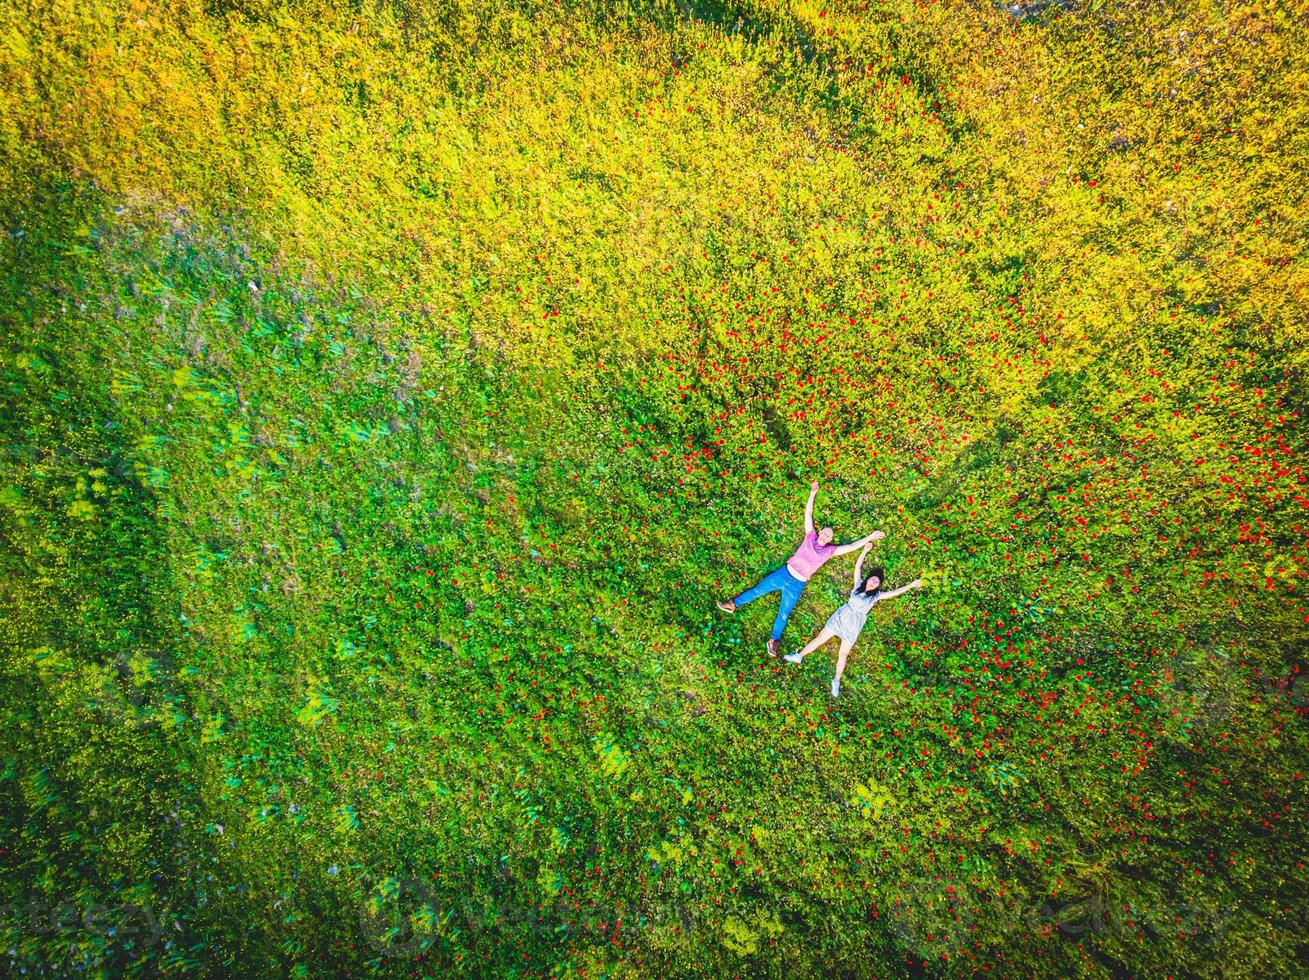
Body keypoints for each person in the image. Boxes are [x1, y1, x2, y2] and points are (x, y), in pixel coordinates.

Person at [716, 480, 883, 657]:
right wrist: (813, 493)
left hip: (797, 584)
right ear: (820, 533)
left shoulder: (829, 551)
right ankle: (733, 604)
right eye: (825, 533)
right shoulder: (810, 536)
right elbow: (808, 513)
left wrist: (870, 536)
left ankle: (773, 641)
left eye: (830, 536)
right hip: (783, 574)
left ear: (830, 540)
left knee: (784, 613)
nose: (826, 536)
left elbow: (850, 546)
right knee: (758, 590)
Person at [784, 542, 923, 697]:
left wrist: (911, 585)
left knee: (843, 654)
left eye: (877, 582)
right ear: (868, 579)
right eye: (872, 579)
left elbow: (895, 592)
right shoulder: (858, 585)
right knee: (820, 638)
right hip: (842, 616)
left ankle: (836, 681)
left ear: (878, 586)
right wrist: (864, 551)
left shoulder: (875, 597)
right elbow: (857, 567)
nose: (873, 582)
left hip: (854, 624)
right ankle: (799, 656)